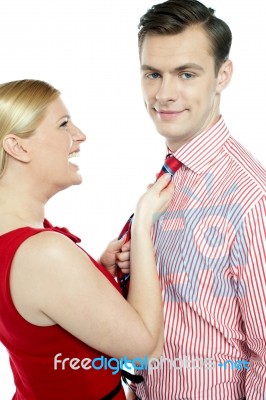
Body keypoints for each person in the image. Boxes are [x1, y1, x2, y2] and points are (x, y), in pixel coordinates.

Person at [0, 79, 175, 400]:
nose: (80, 136)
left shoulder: (18, 241)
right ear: (18, 146)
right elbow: (147, 350)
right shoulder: (44, 253)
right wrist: (143, 224)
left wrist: (97, 272)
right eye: (64, 124)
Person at [126, 0, 266, 399]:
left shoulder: (251, 198)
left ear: (223, 75)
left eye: (186, 74)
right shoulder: (172, 175)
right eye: (153, 74)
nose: (164, 94)